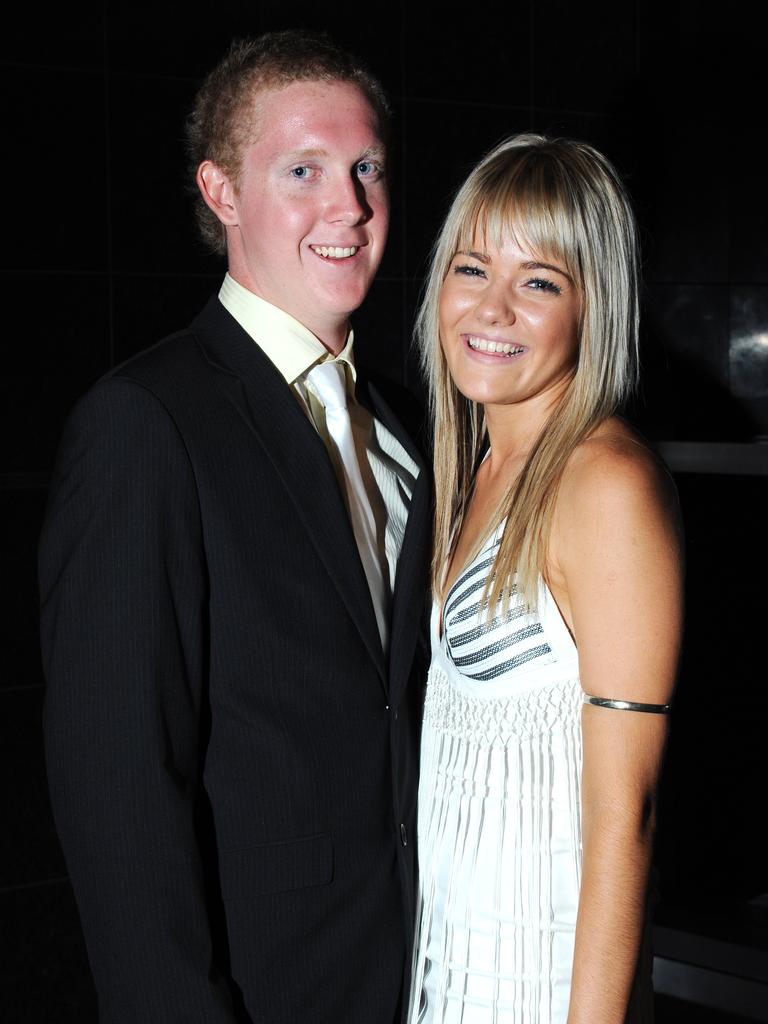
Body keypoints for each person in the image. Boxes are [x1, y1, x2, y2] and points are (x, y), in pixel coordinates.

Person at [39, 30, 429, 1024]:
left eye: (366, 167)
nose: (348, 205)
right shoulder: (147, 423)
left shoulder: (410, 427)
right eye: (303, 170)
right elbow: (120, 796)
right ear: (222, 194)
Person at [406, 134, 683, 1023]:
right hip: (454, 968)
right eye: (472, 267)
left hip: (543, 981)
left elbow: (623, 817)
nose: (491, 309)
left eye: (539, 282)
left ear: (590, 308)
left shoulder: (605, 483)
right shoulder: (476, 468)